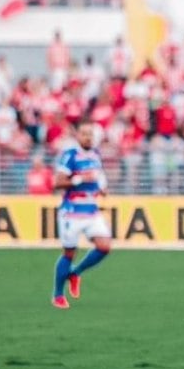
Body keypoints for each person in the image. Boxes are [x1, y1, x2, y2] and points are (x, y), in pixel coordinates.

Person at [51, 121, 112, 309]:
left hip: (91, 208)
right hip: (72, 211)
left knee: (104, 246)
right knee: (69, 252)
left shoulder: (95, 155)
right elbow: (58, 183)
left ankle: (75, 273)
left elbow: (99, 176)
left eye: (90, 134)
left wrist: (101, 188)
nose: (88, 137)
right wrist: (79, 179)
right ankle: (58, 295)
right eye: (84, 134)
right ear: (77, 136)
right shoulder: (70, 155)